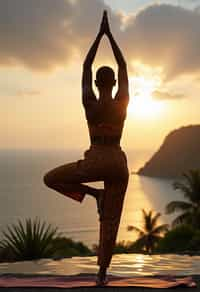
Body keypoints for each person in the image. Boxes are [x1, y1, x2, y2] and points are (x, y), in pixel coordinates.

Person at [43, 11, 129, 286]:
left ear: (95, 84)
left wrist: (99, 35)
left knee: (51, 178)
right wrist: (110, 36)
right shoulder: (121, 104)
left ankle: (94, 194)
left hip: (95, 161)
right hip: (118, 162)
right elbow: (124, 67)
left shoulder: (90, 104)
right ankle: (102, 273)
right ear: (114, 83)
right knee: (111, 222)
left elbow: (85, 66)